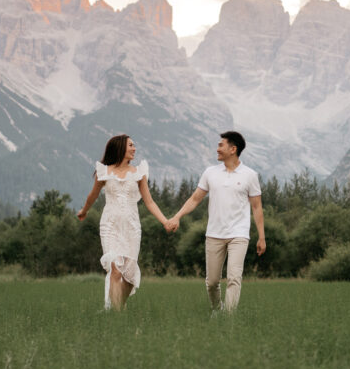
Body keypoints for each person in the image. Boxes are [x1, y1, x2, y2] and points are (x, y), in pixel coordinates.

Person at [165, 131, 265, 312]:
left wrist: (261, 237)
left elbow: (257, 207)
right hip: (214, 234)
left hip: (239, 234)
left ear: (233, 149)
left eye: (221, 145)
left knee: (234, 278)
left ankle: (229, 318)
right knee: (211, 282)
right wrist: (177, 216)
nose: (217, 149)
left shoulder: (250, 175)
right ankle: (217, 310)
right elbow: (195, 199)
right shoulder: (210, 173)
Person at [78, 134, 168, 310]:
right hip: (110, 224)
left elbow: (149, 202)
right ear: (120, 148)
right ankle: (116, 316)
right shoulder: (104, 172)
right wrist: (84, 210)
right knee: (115, 270)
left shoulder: (139, 173)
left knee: (129, 276)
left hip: (131, 226)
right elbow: (93, 195)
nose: (134, 149)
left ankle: (118, 306)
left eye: (134, 145)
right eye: (131, 145)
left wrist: (165, 221)